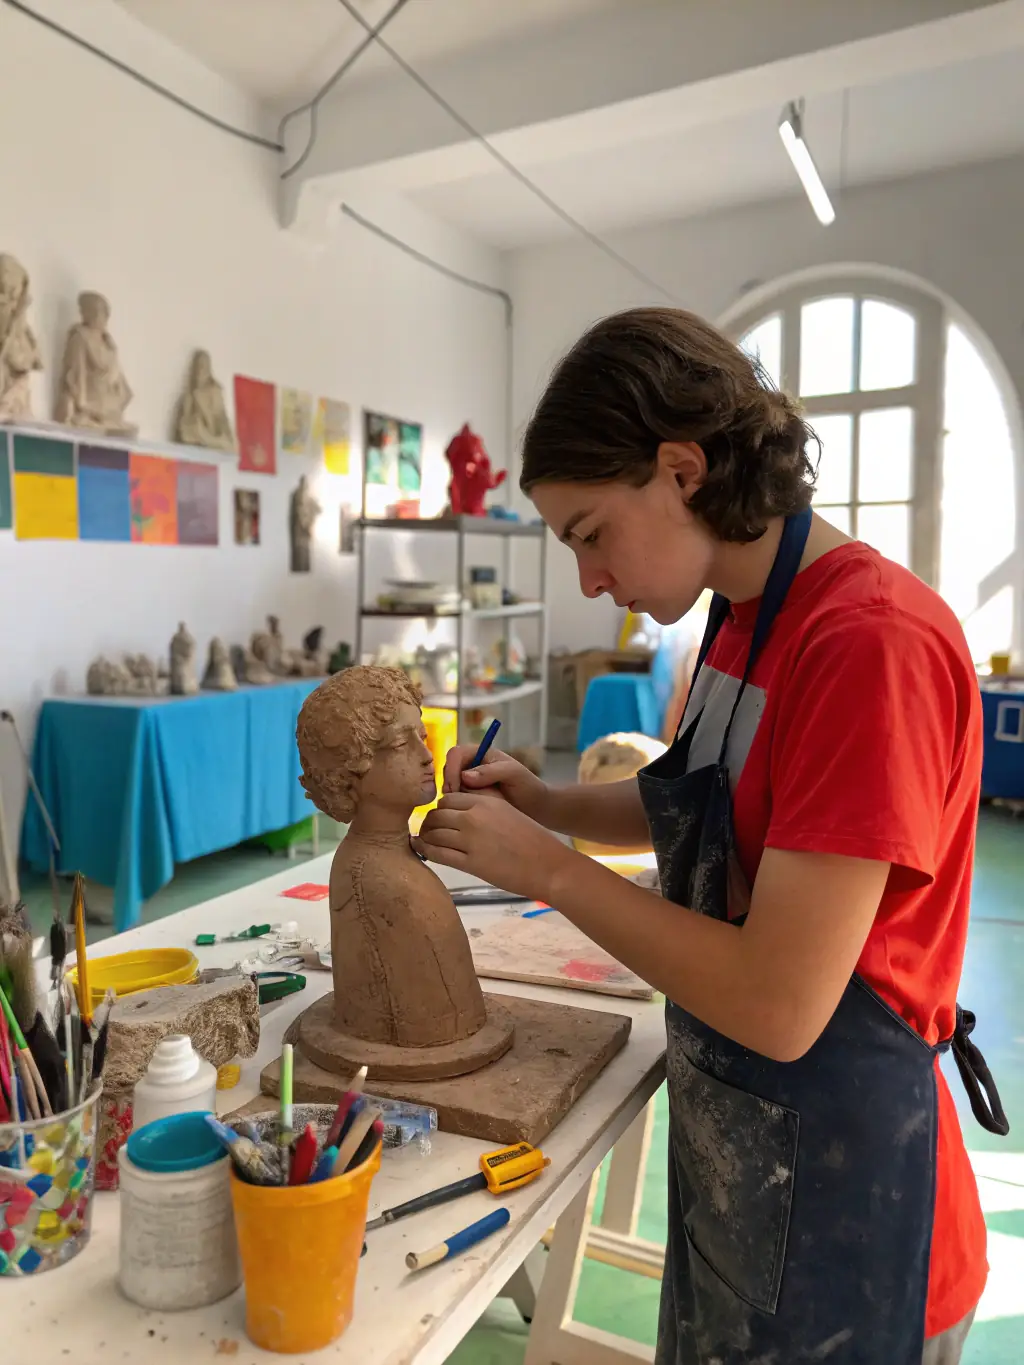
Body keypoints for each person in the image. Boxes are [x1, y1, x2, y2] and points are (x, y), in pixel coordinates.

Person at [416, 307, 1008, 1365]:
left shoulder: (865, 644)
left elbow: (780, 1007)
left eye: (589, 533)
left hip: (850, 1206)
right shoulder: (740, 618)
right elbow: (700, 797)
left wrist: (547, 871)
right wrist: (545, 801)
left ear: (682, 469)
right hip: (743, 1152)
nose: (590, 581)